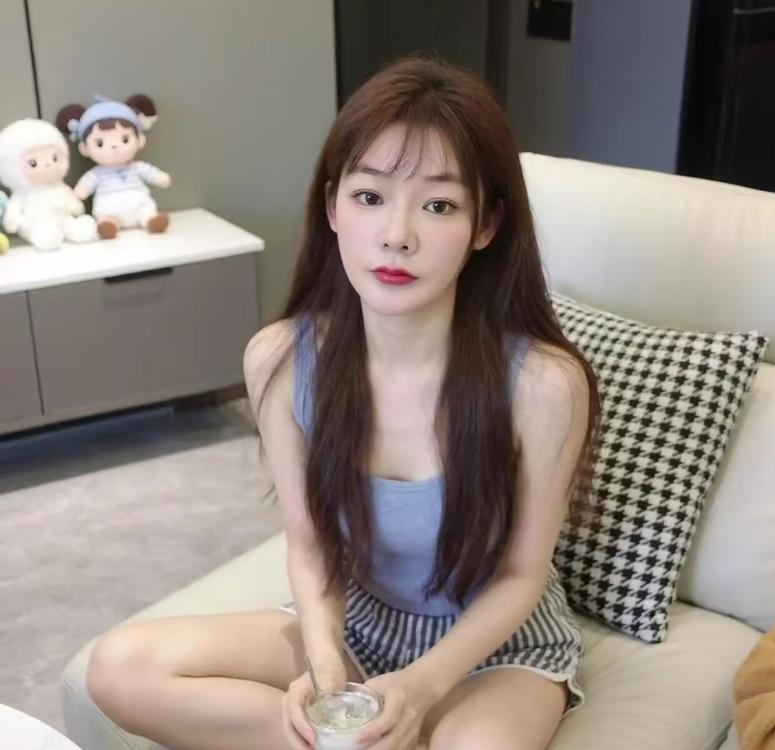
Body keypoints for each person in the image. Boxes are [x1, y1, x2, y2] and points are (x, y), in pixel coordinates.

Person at [85, 55, 600, 750]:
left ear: (485, 226)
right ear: (332, 208)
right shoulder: (279, 359)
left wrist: (420, 688)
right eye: (369, 196)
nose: (397, 234)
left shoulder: (544, 385)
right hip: (358, 624)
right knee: (120, 667)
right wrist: (327, 670)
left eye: (440, 205)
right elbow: (312, 545)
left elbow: (520, 575)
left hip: (492, 649)